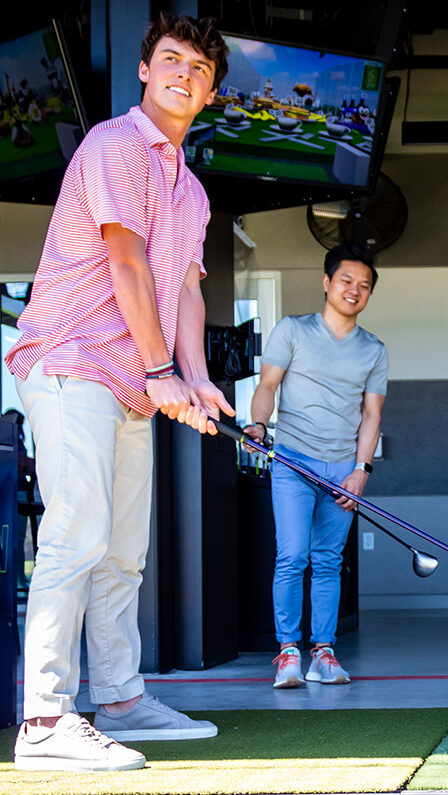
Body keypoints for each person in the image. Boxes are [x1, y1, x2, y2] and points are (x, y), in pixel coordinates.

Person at [6, 14, 232, 772]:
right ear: (144, 71)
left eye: (199, 69)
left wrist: (194, 377)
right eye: (171, 59)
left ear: (210, 93)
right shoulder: (116, 144)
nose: (183, 74)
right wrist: (164, 371)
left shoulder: (193, 190)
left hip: (133, 377)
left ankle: (124, 697)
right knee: (78, 528)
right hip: (72, 359)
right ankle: (44, 717)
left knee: (123, 552)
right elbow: (127, 260)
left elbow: (187, 295)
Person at [244, 242, 387, 688]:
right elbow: (268, 385)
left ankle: (322, 653)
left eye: (364, 285)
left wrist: (362, 469)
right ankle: (288, 652)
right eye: (346, 280)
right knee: (292, 556)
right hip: (293, 460)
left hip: (343, 468)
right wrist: (258, 425)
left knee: (329, 560)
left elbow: (372, 415)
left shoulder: (374, 350)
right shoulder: (292, 330)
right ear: (327, 283)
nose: (354, 290)